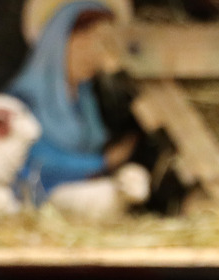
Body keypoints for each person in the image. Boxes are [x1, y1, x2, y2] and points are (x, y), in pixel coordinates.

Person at [9, 0, 138, 202]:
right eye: (87, 41)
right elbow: (32, 159)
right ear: (59, 41)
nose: (94, 56)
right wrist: (101, 162)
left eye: (104, 45)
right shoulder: (19, 102)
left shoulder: (85, 101)